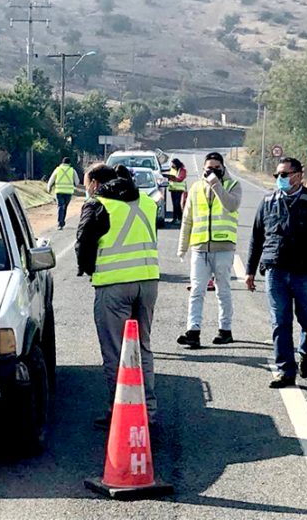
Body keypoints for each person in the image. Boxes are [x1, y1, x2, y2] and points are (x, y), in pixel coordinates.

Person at [245, 157, 307, 389]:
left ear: (299, 175)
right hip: (275, 270)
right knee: (280, 321)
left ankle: (306, 352)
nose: (281, 179)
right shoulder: (268, 201)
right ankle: (285, 371)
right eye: (277, 175)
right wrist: (249, 271)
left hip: (306, 271)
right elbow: (257, 237)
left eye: (285, 174)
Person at [76, 163, 160, 430]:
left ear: (94, 183)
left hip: (113, 285)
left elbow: (84, 243)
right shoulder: (146, 201)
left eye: (87, 183)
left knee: (115, 352)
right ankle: (149, 411)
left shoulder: (99, 204)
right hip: (147, 282)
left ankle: (120, 412)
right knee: (143, 347)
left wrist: (89, 269)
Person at [176, 151, 242, 349]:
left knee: (223, 290)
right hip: (200, 247)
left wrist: (216, 184)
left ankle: (225, 330)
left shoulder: (233, 185)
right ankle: (193, 332)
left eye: (216, 168)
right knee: (197, 290)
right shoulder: (196, 187)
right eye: (208, 169)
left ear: (223, 168)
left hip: (223, 248)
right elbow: (187, 219)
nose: (212, 171)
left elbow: (231, 205)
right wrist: (182, 247)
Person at [47, 157, 79, 230]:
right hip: (68, 192)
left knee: (60, 206)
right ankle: (62, 222)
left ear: (62, 163)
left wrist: (49, 188)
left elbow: (51, 179)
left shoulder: (57, 169)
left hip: (59, 191)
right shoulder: (72, 170)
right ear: (69, 163)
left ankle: (60, 223)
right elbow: (77, 182)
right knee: (65, 207)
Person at [166, 157, 187, 224]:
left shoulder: (182, 170)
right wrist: (169, 177)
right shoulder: (173, 169)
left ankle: (180, 219)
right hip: (173, 189)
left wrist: (174, 178)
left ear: (176, 163)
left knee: (178, 204)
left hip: (179, 190)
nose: (172, 165)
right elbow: (171, 177)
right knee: (174, 205)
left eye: (173, 164)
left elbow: (181, 178)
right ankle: (174, 219)